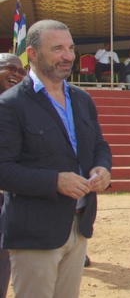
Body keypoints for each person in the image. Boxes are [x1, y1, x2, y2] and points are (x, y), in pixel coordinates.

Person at [0, 20, 112, 298]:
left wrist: (103, 167)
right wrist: (55, 181)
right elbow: (3, 169)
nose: (68, 56)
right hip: (35, 232)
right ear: (33, 54)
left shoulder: (83, 99)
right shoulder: (11, 104)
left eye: (71, 48)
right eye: (58, 48)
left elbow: (99, 145)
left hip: (79, 226)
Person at [0, 54, 27, 298]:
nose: (17, 74)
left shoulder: (21, 107)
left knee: (3, 255)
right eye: (10, 68)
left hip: (8, 194)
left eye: (21, 72)